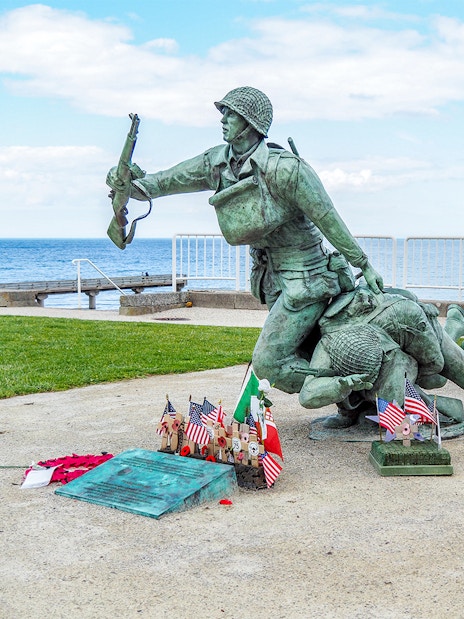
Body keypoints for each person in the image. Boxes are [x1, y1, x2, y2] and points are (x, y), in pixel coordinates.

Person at [107, 86, 383, 393]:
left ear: (250, 123)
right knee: (304, 350)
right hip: (271, 280)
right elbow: (159, 184)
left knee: (269, 365)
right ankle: (354, 400)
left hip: (307, 279)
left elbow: (328, 218)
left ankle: (363, 387)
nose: (223, 120)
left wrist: (364, 264)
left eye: (231, 114)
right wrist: (127, 183)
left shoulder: (286, 169)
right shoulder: (217, 162)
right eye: (223, 113)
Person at [299, 284, 464, 426]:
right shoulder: (329, 342)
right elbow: (307, 394)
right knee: (398, 402)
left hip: (421, 335)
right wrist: (340, 384)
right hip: (384, 372)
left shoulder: (392, 307)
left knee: (437, 378)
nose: (364, 300)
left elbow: (435, 363)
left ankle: (454, 325)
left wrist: (417, 303)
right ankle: (357, 410)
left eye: (361, 296)